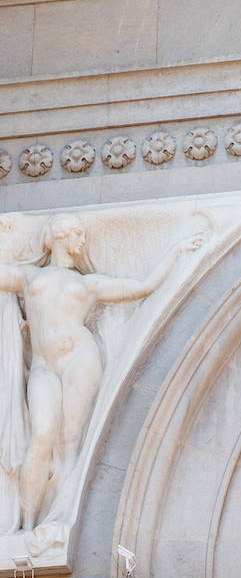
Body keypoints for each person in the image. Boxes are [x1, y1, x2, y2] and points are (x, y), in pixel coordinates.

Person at [0, 212, 203, 533]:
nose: (82, 239)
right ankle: (25, 526)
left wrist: (175, 252)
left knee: (69, 442)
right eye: (76, 233)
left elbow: (142, 286)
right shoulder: (27, 277)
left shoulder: (88, 283)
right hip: (43, 366)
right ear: (59, 237)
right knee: (41, 435)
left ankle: (60, 520)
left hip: (80, 360)